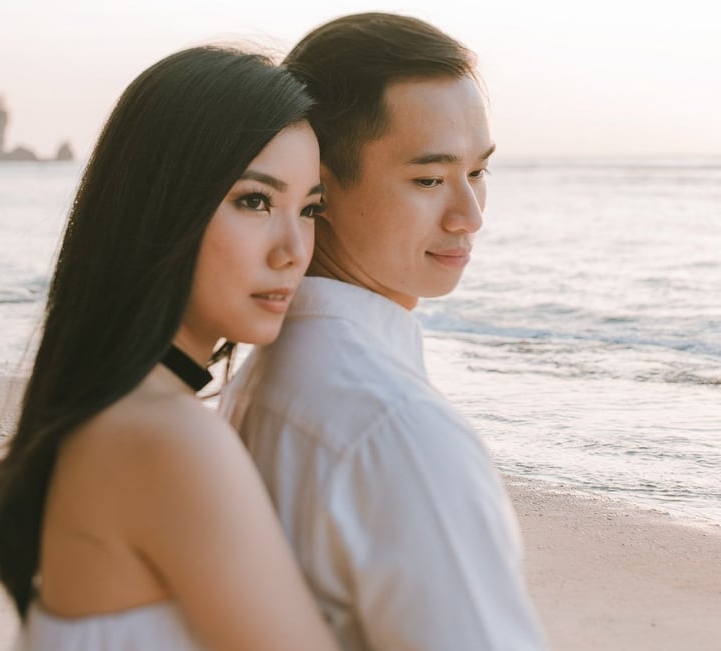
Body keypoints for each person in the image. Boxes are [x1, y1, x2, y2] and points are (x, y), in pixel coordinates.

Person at [0, 46, 340, 651]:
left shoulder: (107, 408)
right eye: (254, 201)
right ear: (164, 208)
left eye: (311, 208)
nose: (294, 249)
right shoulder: (165, 438)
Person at [220, 12, 548, 650]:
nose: (470, 216)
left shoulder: (266, 371)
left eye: (478, 171)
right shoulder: (396, 429)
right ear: (322, 187)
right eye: (429, 179)